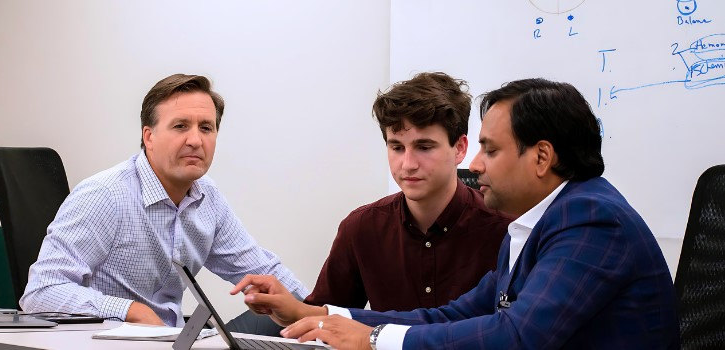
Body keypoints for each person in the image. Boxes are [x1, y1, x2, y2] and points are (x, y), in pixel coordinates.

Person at [231, 78, 680, 349]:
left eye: (490, 149)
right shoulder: (538, 223)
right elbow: (452, 316)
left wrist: (371, 339)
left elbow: (517, 338)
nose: (477, 165)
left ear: (541, 158)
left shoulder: (591, 221)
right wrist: (331, 316)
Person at [21, 73, 307, 326]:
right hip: (112, 342)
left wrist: (324, 312)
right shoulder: (105, 195)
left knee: (299, 323)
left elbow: (261, 270)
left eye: (206, 128)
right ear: (149, 137)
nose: (196, 140)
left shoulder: (207, 196)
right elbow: (41, 291)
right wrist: (129, 310)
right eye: (181, 126)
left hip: (172, 339)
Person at [304, 72, 512, 312]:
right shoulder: (360, 228)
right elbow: (323, 325)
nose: (407, 164)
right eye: (397, 147)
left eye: (424, 147)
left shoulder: (506, 230)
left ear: (460, 148)